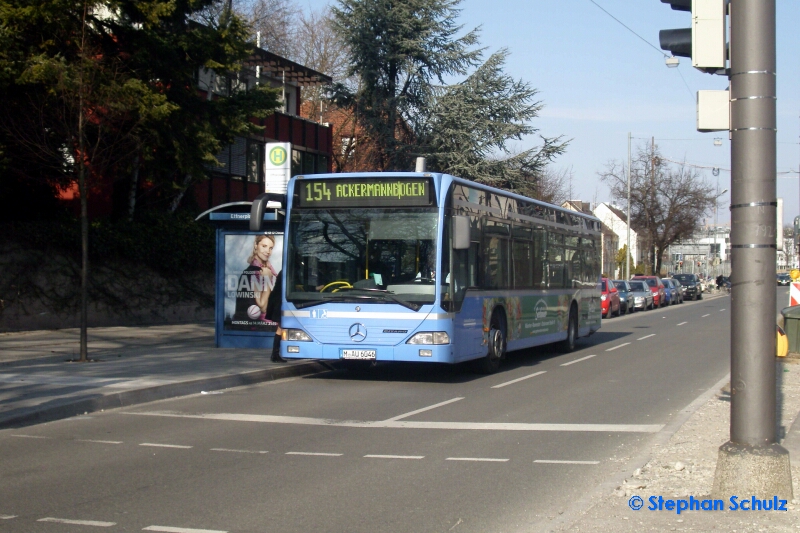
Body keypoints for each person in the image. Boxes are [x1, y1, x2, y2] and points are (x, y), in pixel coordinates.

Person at [234, 234, 277, 323]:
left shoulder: (263, 269)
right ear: (256, 246)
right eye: (264, 246)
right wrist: (267, 279)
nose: (268, 251)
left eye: (271, 248)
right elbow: (263, 307)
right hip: (259, 324)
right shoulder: (255, 272)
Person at [266, 270, 286, 362]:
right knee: (280, 327)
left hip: (278, 301)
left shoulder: (283, 271)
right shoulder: (287, 271)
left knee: (280, 327)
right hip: (279, 303)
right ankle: (275, 354)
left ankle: (275, 354)